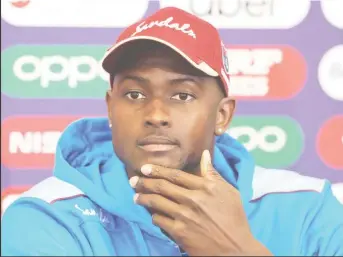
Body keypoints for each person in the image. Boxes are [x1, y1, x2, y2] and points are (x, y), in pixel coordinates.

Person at [2, 6, 343, 256]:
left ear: (222, 115)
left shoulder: (309, 209)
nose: (156, 114)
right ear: (110, 108)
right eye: (134, 94)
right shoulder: (47, 215)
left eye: (183, 95)